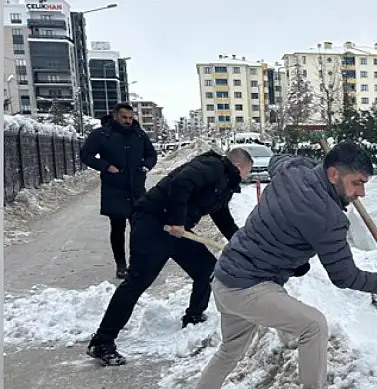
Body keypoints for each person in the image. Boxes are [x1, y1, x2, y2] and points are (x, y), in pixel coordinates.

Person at [180, 141, 377, 389]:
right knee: (313, 326)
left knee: (230, 350)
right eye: (357, 183)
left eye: (364, 184)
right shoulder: (328, 218)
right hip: (250, 286)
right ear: (333, 175)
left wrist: (307, 165)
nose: (361, 193)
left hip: (226, 276)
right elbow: (345, 276)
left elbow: (277, 160)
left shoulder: (293, 171)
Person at [86, 147, 254, 366]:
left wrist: (239, 243)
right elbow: (180, 184)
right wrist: (177, 220)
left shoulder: (224, 183)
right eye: (248, 172)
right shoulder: (212, 167)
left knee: (208, 270)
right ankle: (102, 341)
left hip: (176, 230)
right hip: (153, 223)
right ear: (239, 166)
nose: (247, 177)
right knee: (137, 281)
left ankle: (193, 316)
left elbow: (222, 216)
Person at [81, 103, 157, 279]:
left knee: (139, 228)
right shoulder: (102, 134)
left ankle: (138, 263)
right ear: (115, 116)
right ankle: (121, 265)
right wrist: (106, 166)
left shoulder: (139, 134)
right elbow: (86, 155)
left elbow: (151, 154)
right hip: (114, 188)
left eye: (130, 118)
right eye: (124, 117)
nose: (128, 121)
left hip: (137, 188)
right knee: (118, 228)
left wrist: (146, 166)